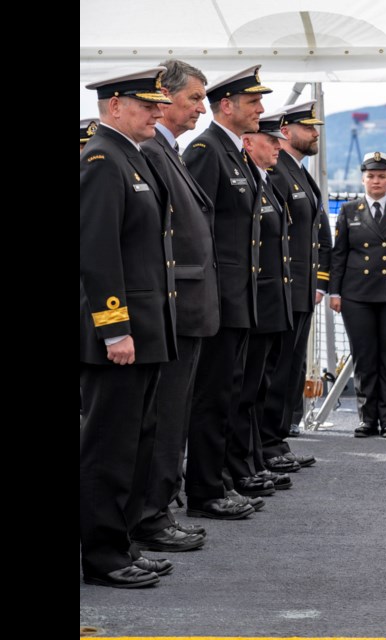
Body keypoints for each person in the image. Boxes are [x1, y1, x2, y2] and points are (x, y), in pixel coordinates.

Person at [80, 67, 177, 588]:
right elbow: (97, 251)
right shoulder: (101, 158)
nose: (157, 113)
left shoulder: (131, 157)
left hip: (147, 328)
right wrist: (115, 327)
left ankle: (122, 543)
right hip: (120, 334)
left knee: (137, 442)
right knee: (108, 447)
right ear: (115, 105)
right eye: (147, 105)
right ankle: (100, 556)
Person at [132, 59, 218, 552]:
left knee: (172, 414)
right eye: (193, 99)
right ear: (165, 98)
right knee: (163, 418)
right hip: (170, 306)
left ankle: (158, 506)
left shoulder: (169, 151)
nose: (200, 109)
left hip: (184, 305)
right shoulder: (150, 151)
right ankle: (152, 514)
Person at [182, 65, 273, 519]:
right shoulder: (205, 150)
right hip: (218, 298)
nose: (261, 109)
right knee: (211, 396)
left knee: (229, 393)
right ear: (227, 106)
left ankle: (218, 480)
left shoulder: (233, 152)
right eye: (254, 102)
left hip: (239, 298)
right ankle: (204, 490)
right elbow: (197, 233)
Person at [257, 100, 330, 469]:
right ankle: (267, 443)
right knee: (278, 368)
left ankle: (278, 439)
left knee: (291, 369)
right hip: (284, 289)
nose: (316, 133)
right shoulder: (278, 172)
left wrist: (318, 282)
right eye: (309, 127)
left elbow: (317, 232)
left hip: (301, 290)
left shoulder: (297, 171)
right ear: (286, 132)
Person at [329, 152, 386, 437]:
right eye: (371, 176)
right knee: (364, 357)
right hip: (356, 295)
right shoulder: (349, 211)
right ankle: (367, 418)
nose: (376, 181)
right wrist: (334, 291)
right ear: (363, 179)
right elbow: (339, 255)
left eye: (381, 176)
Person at [232, 112, 294, 491]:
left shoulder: (265, 182)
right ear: (249, 142)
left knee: (256, 389)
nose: (278, 146)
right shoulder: (243, 175)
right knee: (242, 391)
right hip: (250, 300)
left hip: (268, 301)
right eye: (270, 140)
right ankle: (239, 467)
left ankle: (251, 461)